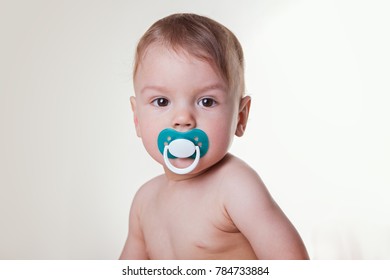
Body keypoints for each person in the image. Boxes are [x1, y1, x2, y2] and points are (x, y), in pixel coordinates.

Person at [120, 13, 309, 260]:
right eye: (162, 101)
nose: (183, 118)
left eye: (207, 101)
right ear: (137, 119)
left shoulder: (235, 187)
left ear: (240, 117)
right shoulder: (144, 202)